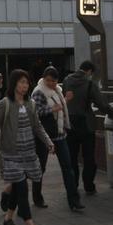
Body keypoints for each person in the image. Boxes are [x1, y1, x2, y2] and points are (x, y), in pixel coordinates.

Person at [0, 69, 54, 225]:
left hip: (28, 153)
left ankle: (8, 218)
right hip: (11, 155)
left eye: (26, 82)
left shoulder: (31, 104)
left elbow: (37, 126)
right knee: (22, 188)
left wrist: (48, 142)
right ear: (14, 83)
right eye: (21, 82)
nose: (24, 85)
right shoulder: (5, 104)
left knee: (16, 187)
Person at [31, 67, 84, 212]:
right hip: (44, 136)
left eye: (54, 81)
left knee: (68, 167)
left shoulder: (58, 90)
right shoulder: (38, 92)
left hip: (60, 134)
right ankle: (37, 197)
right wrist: (52, 109)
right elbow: (34, 112)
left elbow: (60, 107)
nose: (51, 83)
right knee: (40, 168)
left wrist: (65, 100)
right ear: (43, 79)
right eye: (48, 80)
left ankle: (74, 200)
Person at [62, 60, 113, 195]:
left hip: (69, 124)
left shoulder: (66, 81)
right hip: (86, 125)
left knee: (72, 157)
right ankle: (89, 186)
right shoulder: (90, 84)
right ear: (89, 71)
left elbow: (64, 99)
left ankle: (73, 186)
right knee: (88, 157)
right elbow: (102, 104)